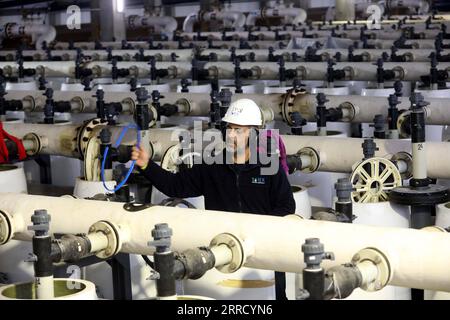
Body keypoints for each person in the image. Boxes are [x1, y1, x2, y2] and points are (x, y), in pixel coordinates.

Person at [132, 98, 295, 299]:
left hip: (263, 251)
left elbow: (287, 205)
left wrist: (258, 228)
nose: (232, 135)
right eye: (230, 129)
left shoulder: (270, 168)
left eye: (239, 130)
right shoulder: (212, 167)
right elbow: (175, 186)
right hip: (224, 252)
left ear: (253, 134)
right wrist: (147, 165)